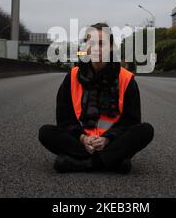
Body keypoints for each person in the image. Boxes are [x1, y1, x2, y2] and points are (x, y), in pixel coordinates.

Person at [39, 22, 154, 174]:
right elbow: (64, 120)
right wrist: (82, 138)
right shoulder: (72, 76)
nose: (96, 48)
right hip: (81, 141)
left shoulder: (126, 79)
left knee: (145, 130)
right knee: (45, 132)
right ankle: (112, 161)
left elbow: (131, 121)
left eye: (101, 43)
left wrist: (107, 139)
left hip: (111, 141)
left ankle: (84, 163)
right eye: (91, 43)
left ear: (111, 47)